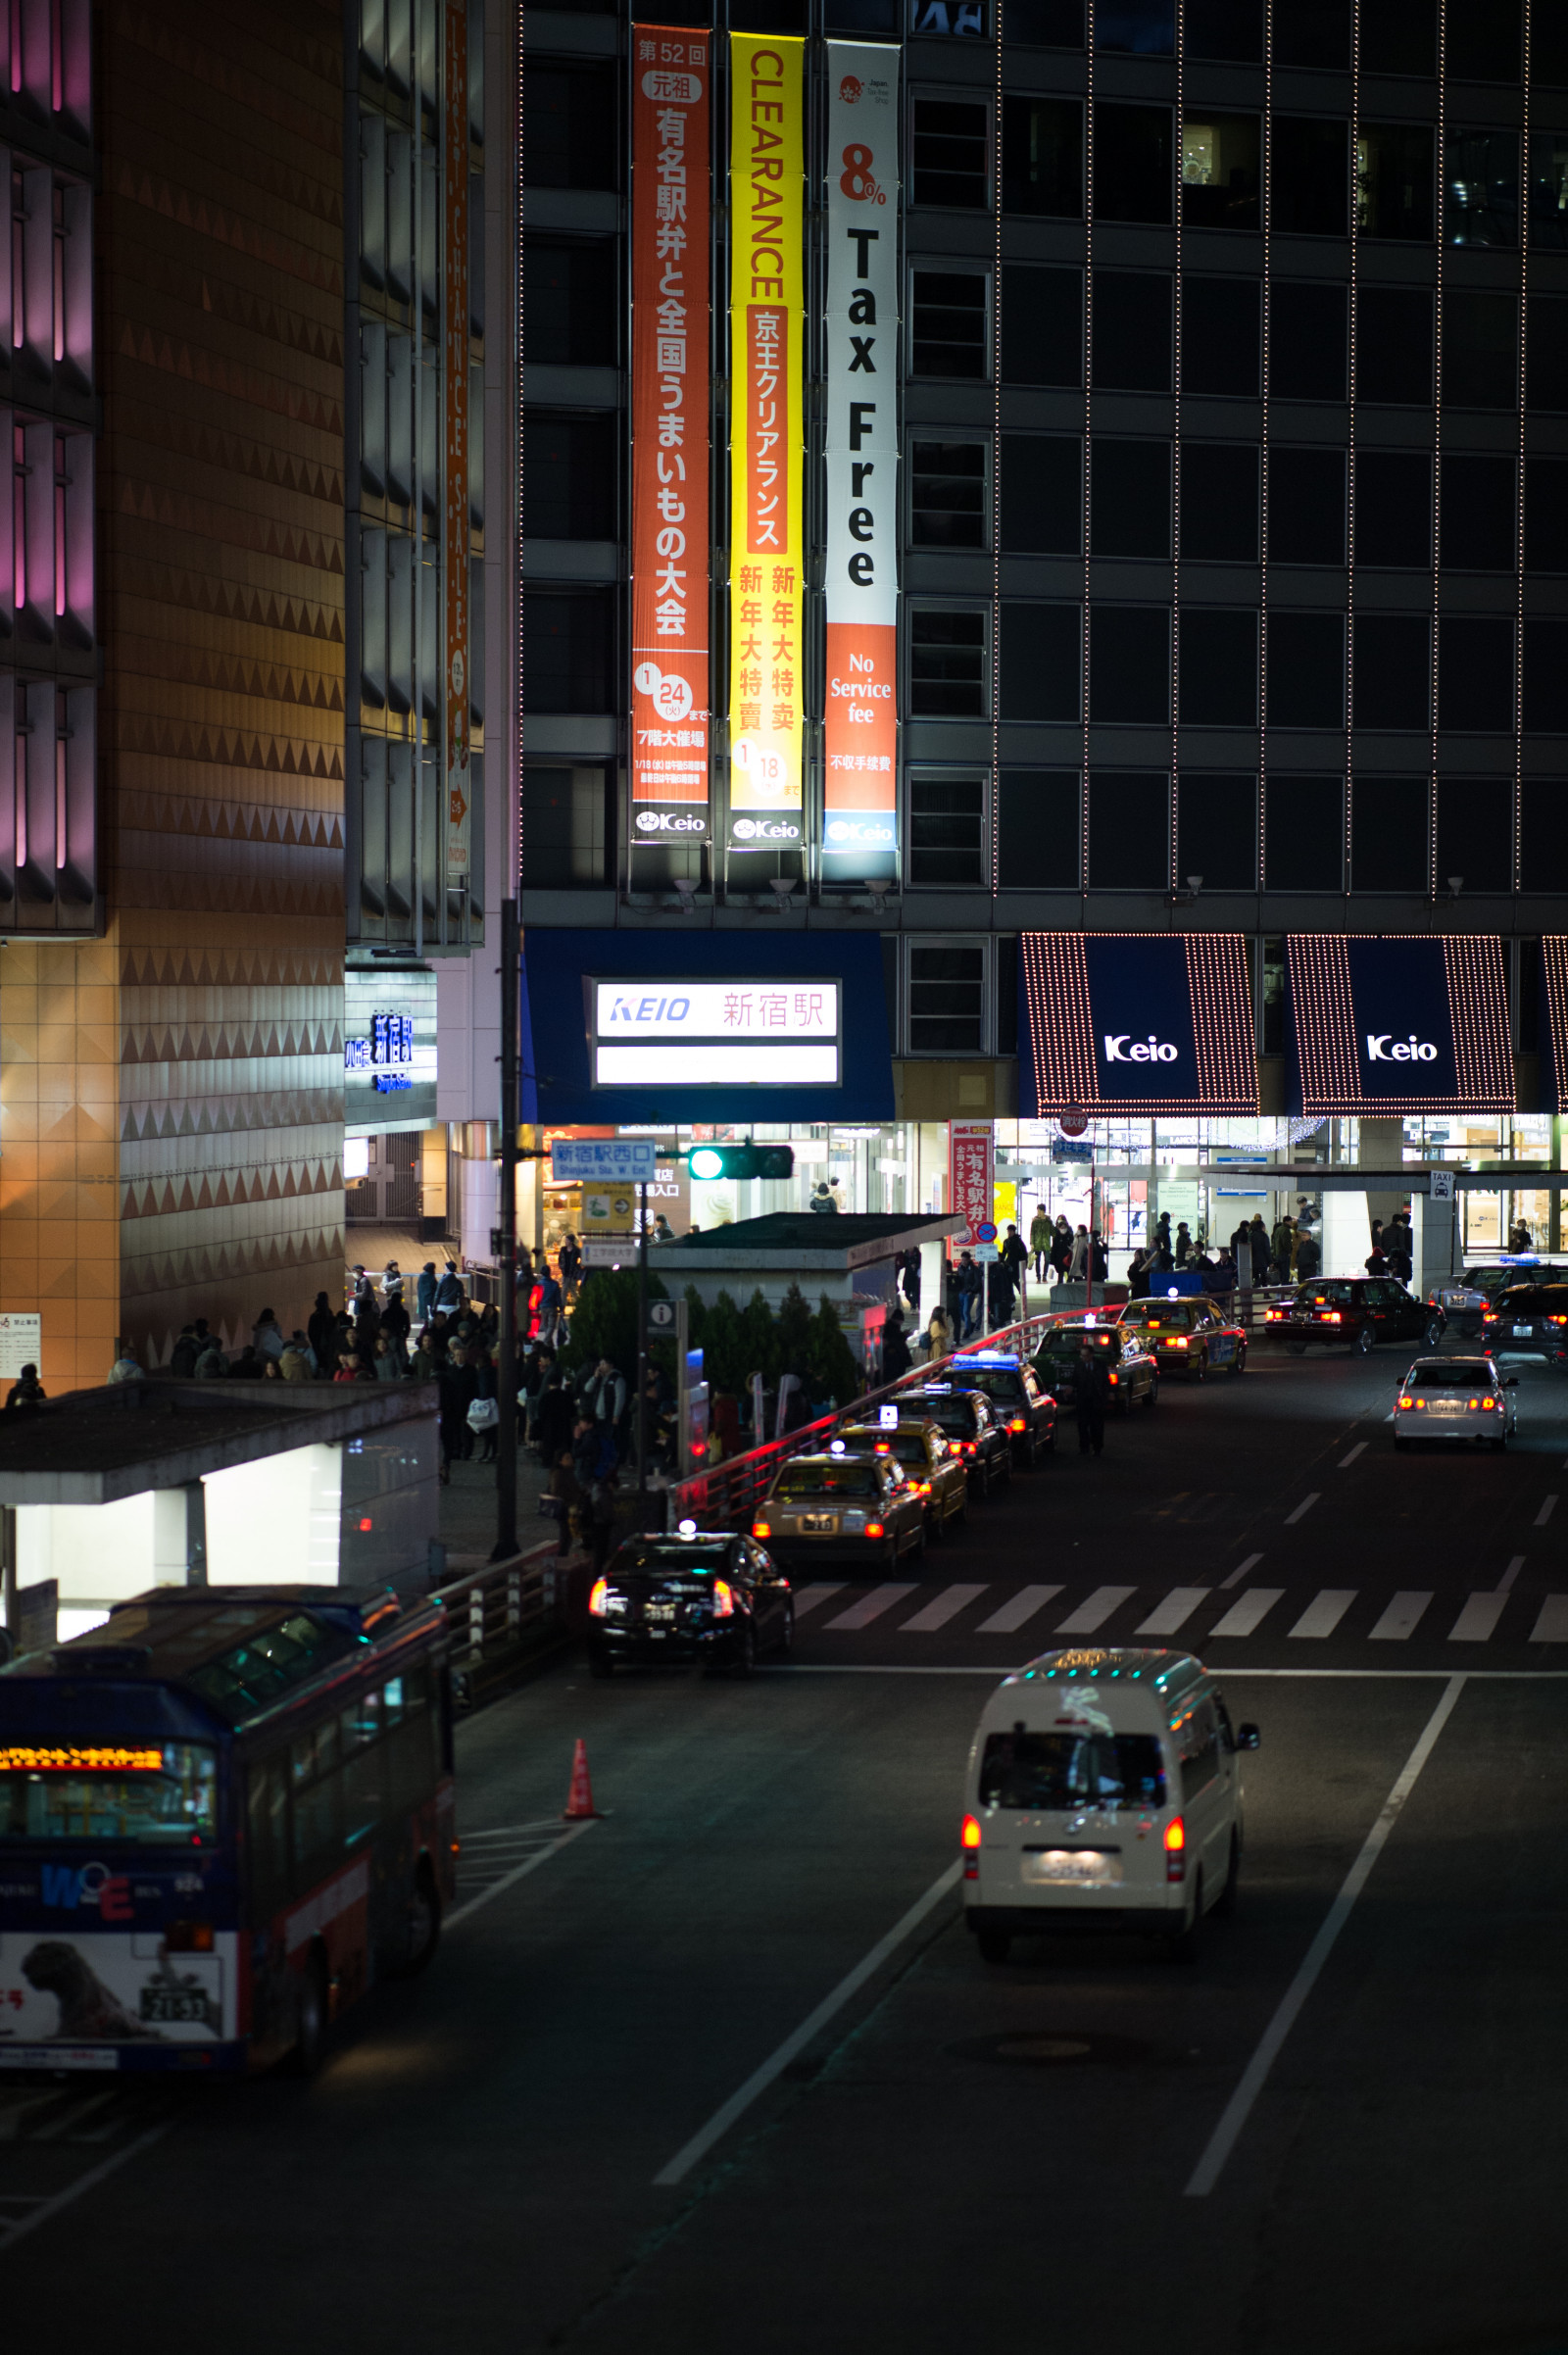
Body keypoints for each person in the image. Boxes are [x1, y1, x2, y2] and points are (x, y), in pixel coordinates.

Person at [1074, 1341, 1109, 1457]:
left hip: (1096, 1400)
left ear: (1091, 1355)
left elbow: (1105, 1381)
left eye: (1085, 1356)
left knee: (1097, 1425)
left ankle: (1097, 1448)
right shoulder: (1079, 1365)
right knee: (1082, 1425)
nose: (1083, 1358)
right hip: (1083, 1400)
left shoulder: (1100, 1365)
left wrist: (1106, 1395)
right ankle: (1084, 1448)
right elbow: (1075, 1380)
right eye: (1082, 1356)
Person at [308, 1291, 338, 1377]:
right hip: (329, 1344)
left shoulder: (314, 1316)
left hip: (317, 1344)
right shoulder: (330, 1316)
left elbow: (310, 1332)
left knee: (320, 1363)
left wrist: (314, 1342)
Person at [881, 1306, 912, 1382]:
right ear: (897, 1319)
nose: (901, 1323)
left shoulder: (892, 1327)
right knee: (896, 1378)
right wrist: (904, 1335)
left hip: (895, 1359)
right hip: (895, 1360)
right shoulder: (891, 1328)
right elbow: (896, 1341)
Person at [1001, 1223, 1028, 1296]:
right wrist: (1001, 1261)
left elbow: (1024, 1254)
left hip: (1017, 1264)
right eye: (1008, 1231)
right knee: (1009, 1280)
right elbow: (1004, 1253)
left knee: (1015, 1279)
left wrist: (1025, 1264)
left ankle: (1021, 1292)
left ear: (1014, 1231)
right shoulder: (1006, 1241)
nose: (1009, 1233)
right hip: (1009, 1263)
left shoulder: (1018, 1242)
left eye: (1010, 1231)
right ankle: (1012, 1294)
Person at [1029, 1205, 1053, 1283]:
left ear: (1043, 1211)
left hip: (1046, 1244)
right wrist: (1032, 1243)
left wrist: (1052, 1223)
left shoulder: (1048, 1221)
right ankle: (1038, 1277)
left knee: (1047, 1260)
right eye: (1037, 1211)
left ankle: (1044, 1276)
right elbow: (1032, 1233)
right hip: (1037, 1243)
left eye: (1039, 1211)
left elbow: (1052, 1232)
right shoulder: (1035, 1221)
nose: (1038, 1212)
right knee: (1037, 1261)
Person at [558, 1233, 581, 1300]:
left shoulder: (576, 1250)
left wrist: (578, 1267)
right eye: (565, 1240)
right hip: (565, 1273)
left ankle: (578, 1303)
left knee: (573, 1290)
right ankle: (563, 1305)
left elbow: (582, 1259)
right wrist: (561, 1266)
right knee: (564, 1291)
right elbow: (560, 1259)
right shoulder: (563, 1249)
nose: (566, 1241)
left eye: (567, 1240)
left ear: (571, 1241)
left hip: (573, 1274)